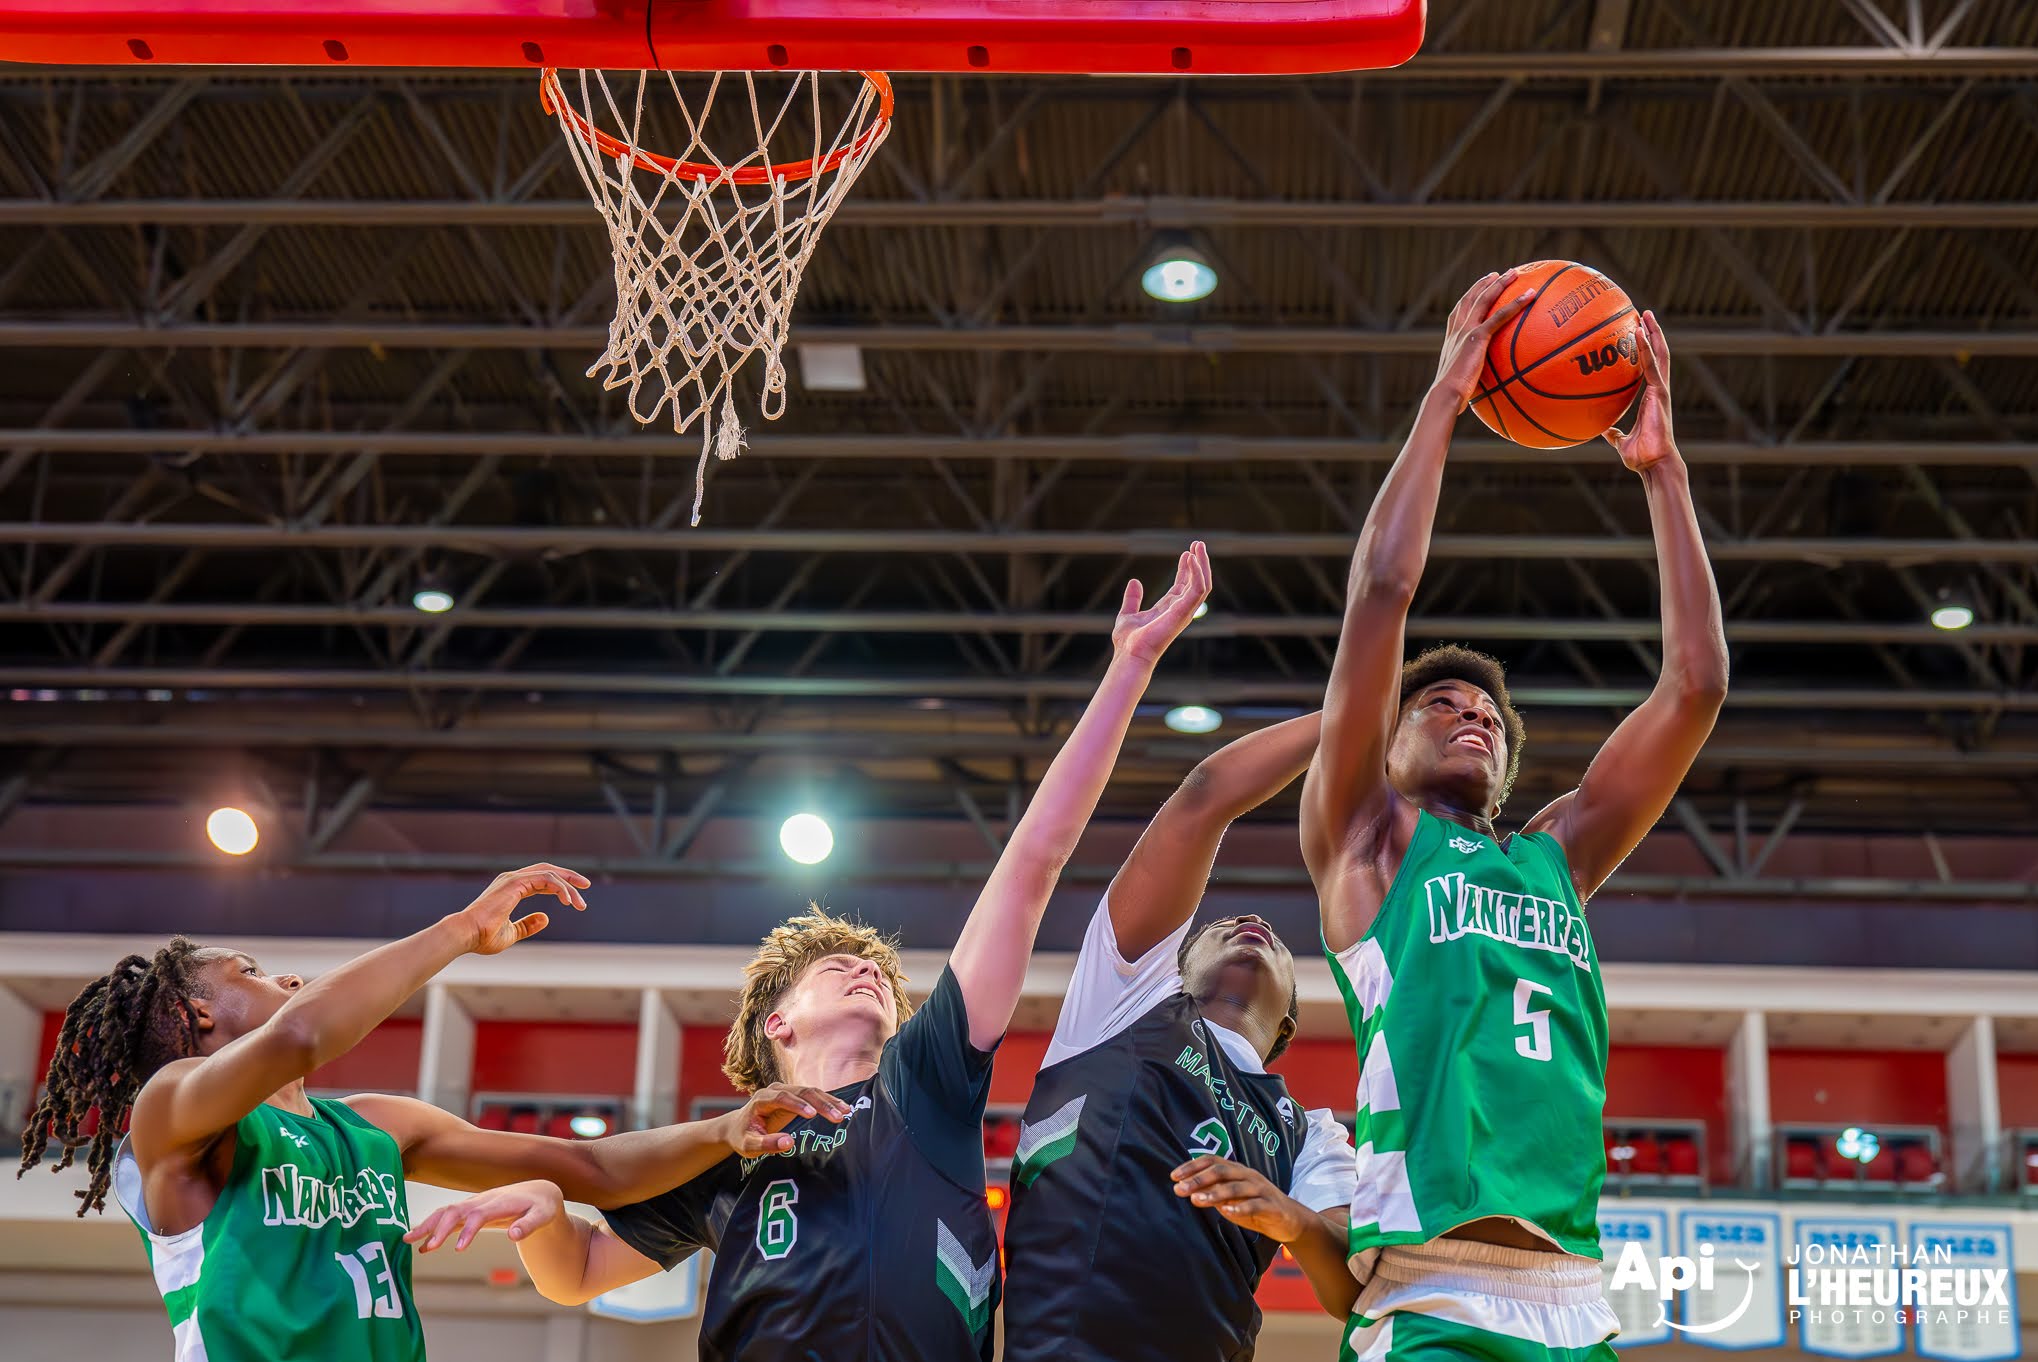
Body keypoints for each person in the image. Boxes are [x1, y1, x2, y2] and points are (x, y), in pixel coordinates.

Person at [412, 543, 1215, 1362]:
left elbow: (1033, 863)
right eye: (836, 968)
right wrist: (544, 1212)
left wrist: (1129, 668)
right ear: (777, 1024)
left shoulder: (924, 1082)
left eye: (877, 974)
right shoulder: (727, 1148)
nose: (868, 969)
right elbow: (576, 1273)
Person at [1299, 276, 1728, 1362]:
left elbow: (1695, 685)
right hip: (1430, 1292)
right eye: (1437, 704)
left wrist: (1662, 474)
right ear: (1383, 752)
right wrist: (1446, 395)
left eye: (1486, 712)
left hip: (1573, 1298)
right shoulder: (1367, 842)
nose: (1468, 715)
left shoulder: (1554, 857)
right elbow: (1379, 596)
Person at [16, 863, 850, 1362]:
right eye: (251, 970)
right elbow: (301, 1036)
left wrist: (722, 1131)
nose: (288, 981)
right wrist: (459, 929)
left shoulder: (377, 1127)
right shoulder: (172, 1116)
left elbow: (591, 1170)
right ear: (199, 1017)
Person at [1002, 712, 1361, 1362]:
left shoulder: (1311, 1134)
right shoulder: (1123, 1002)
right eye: (1218, 926)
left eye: (1275, 941)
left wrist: (1294, 1220)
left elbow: (1350, 1286)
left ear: (1288, 1025)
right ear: (1178, 968)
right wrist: (1356, 711)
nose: (1252, 922)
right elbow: (1204, 795)